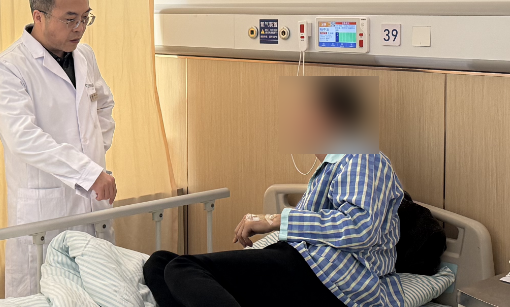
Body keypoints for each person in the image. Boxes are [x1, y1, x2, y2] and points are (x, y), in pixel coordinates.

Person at [143, 77, 405, 307]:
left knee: (182, 267)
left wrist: (275, 220)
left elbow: (360, 228)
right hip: (304, 267)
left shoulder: (362, 156)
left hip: (334, 280)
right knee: (159, 263)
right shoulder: (329, 167)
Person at [0, 0, 117, 297]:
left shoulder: (84, 56)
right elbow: (23, 138)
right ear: (39, 16)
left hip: (92, 203)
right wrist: (86, 171)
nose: (80, 28)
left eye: (85, 18)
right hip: (46, 210)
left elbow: (103, 105)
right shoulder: (9, 68)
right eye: (70, 19)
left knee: (99, 293)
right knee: (44, 296)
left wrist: (93, 153)